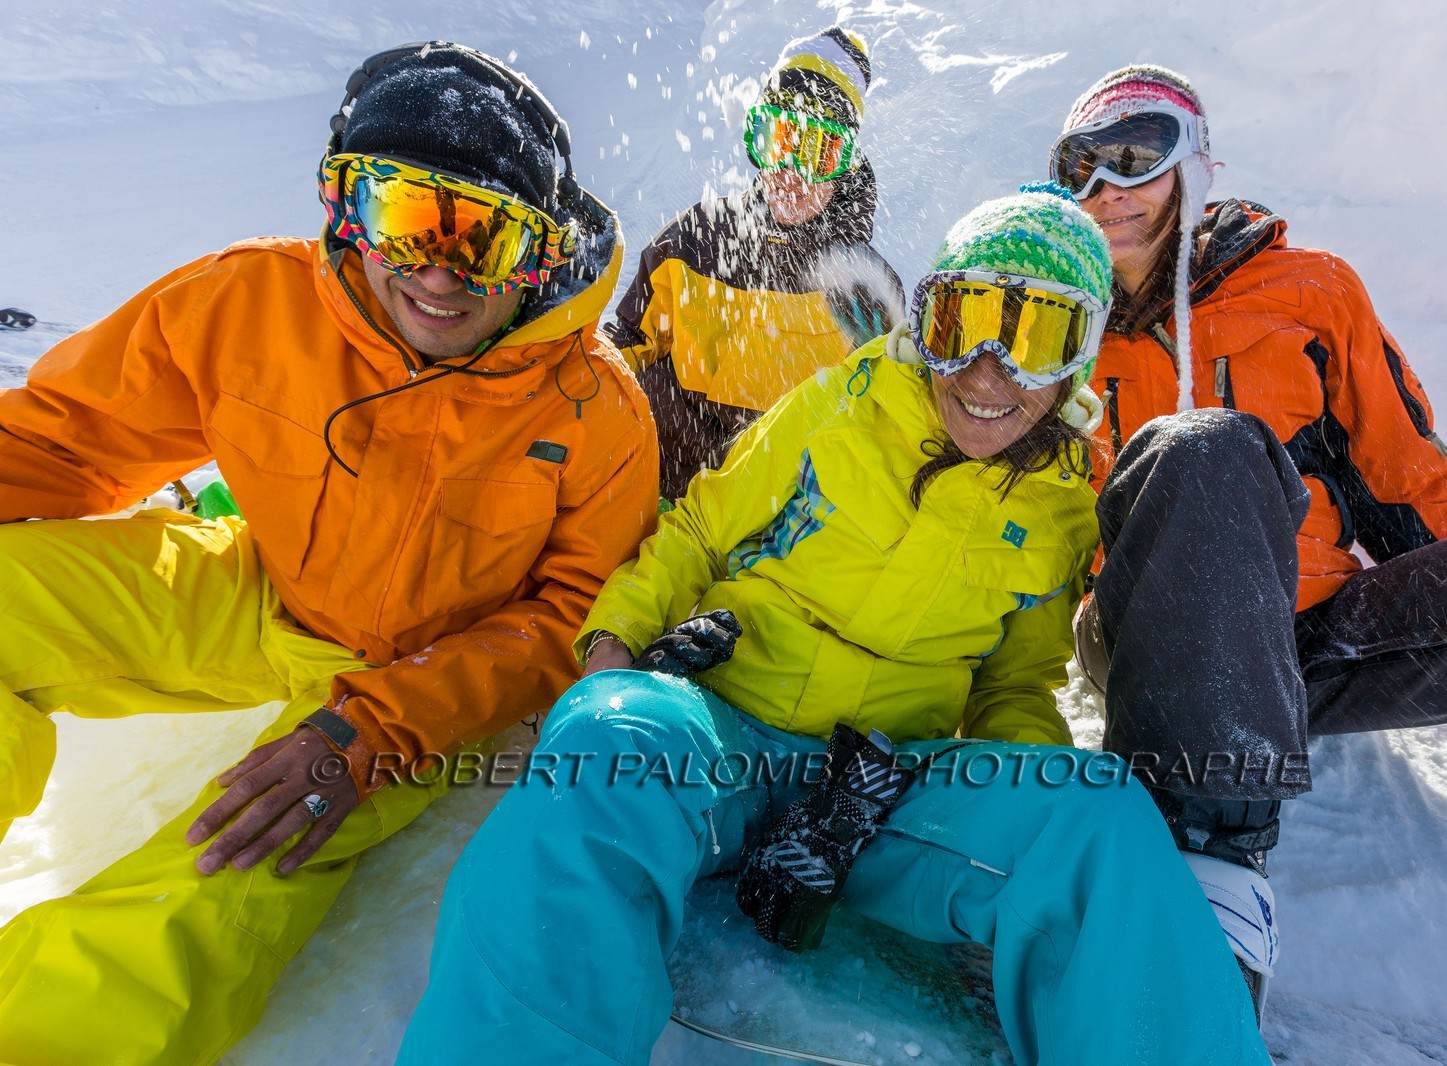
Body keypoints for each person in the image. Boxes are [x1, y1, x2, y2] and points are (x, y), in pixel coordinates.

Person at [399, 185, 1270, 1066]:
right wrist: (616, 652)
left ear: (1078, 360)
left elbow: (1015, 685)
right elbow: (699, 529)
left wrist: (1017, 800)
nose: (985, 372)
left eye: (1037, 337)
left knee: (1098, 815)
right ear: (926, 320)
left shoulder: (1060, 512)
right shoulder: (839, 406)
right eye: (962, 322)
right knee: (604, 737)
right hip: (727, 726)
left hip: (881, 785)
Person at [0, 42, 657, 1064]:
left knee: (220, 876)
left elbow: (576, 612)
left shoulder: (594, 407)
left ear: (540, 250)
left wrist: (378, 729)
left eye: (484, 235)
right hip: (262, 588)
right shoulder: (249, 300)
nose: (438, 270)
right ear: (344, 207)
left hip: (411, 685)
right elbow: (63, 442)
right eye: (405, 215)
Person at [1046, 63, 1447, 1006]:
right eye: (1081, 168)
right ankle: (1212, 863)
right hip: (1149, 644)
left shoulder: (1309, 291)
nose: (1108, 191)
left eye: (1137, 157)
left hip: (1316, 635)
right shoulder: (1058, 321)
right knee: (1206, 450)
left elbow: (1402, 482)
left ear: (1194, 165)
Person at [603, 26, 905, 500]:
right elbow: (620, 352)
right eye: (776, 141)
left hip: (784, 524)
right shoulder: (695, 239)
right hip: (660, 495)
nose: (790, 172)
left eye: (818, 151)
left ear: (845, 162)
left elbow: (888, 428)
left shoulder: (864, 286)